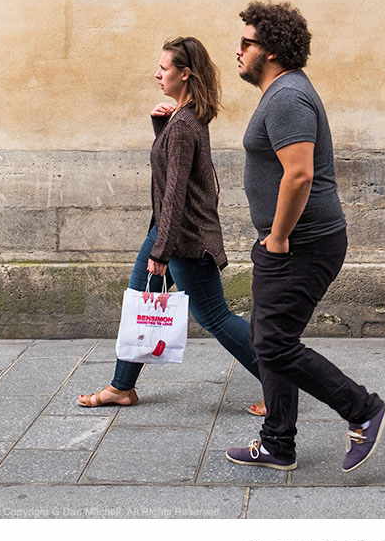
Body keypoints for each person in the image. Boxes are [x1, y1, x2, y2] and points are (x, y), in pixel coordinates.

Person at [225, 0, 385, 474]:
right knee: (267, 337)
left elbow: (297, 175)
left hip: (301, 243)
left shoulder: (287, 98)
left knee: (274, 343)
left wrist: (276, 239)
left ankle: (363, 410)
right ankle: (277, 442)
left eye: (246, 42)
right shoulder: (280, 93)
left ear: (272, 49)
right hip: (296, 241)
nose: (238, 51)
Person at [77, 35, 262, 409]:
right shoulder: (184, 118)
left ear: (185, 74)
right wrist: (160, 129)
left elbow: (177, 191)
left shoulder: (184, 124)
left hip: (181, 237)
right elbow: (179, 174)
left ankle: (280, 383)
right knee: (140, 302)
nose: (157, 74)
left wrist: (162, 250)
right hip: (168, 229)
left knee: (214, 316)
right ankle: (121, 387)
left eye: (164, 68)